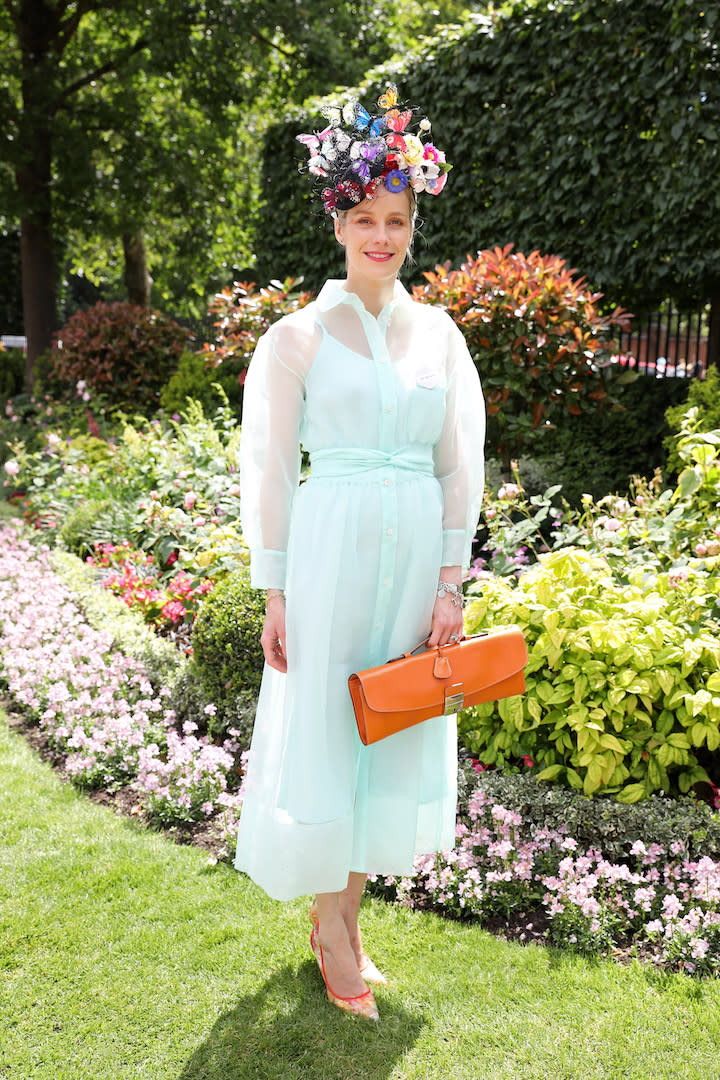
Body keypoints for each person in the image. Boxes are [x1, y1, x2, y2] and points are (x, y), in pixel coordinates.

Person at [234, 84, 485, 1022]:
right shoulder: (295, 339)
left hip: (416, 550)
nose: (382, 235)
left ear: (414, 223)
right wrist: (275, 591)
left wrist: (451, 581)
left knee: (392, 723)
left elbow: (461, 462)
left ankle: (343, 918)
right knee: (333, 734)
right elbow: (267, 466)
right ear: (338, 221)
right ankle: (333, 931)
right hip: (330, 554)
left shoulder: (441, 336)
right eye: (366, 218)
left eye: (399, 219)